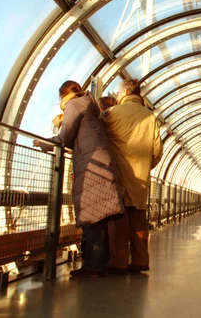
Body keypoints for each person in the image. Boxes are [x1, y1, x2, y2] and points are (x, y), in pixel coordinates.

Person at [33, 80, 124, 278]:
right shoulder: (90, 106)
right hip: (101, 162)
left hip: (91, 166)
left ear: (63, 96)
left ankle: (94, 267)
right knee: (98, 216)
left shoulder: (73, 105)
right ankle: (99, 264)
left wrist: (42, 143)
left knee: (92, 217)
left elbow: (64, 137)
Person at [101, 79, 163, 274]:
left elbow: (97, 136)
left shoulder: (111, 114)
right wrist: (145, 166)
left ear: (127, 91)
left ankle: (119, 261)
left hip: (118, 175)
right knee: (138, 220)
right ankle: (140, 260)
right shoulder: (150, 117)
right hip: (140, 178)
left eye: (119, 91)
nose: (117, 95)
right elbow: (157, 151)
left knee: (118, 221)